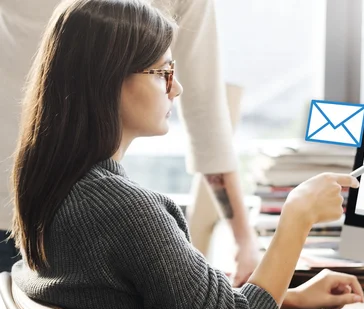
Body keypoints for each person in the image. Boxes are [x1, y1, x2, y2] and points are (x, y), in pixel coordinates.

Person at [8, 0, 364, 309]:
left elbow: (172, 300)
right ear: (109, 80)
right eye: (162, 73)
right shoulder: (123, 210)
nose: (176, 88)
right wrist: (298, 214)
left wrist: (288, 297)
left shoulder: (54, 186)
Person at [0, 0, 261, 285]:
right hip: (44, 216)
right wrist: (267, 231)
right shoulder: (132, 214)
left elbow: (206, 117)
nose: (175, 88)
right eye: (162, 73)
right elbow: (206, 116)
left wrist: (242, 240)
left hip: (33, 202)